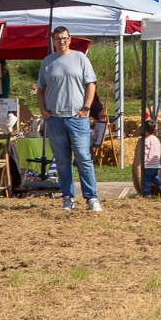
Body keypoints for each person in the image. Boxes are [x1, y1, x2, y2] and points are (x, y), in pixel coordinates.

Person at [38, 27, 101, 212]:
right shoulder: (47, 62)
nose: (62, 42)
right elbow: (40, 90)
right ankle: (68, 197)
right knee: (62, 161)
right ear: (53, 41)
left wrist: (86, 108)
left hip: (77, 118)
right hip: (55, 119)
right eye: (58, 39)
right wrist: (43, 111)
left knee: (83, 158)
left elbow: (91, 84)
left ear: (70, 39)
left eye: (64, 38)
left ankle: (91, 197)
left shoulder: (80, 58)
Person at [140, 119, 161, 196]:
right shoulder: (157, 140)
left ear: (145, 130)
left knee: (146, 180)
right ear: (155, 129)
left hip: (148, 165)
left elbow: (145, 152)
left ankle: (147, 194)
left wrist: (143, 163)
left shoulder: (146, 140)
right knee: (155, 178)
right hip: (156, 164)